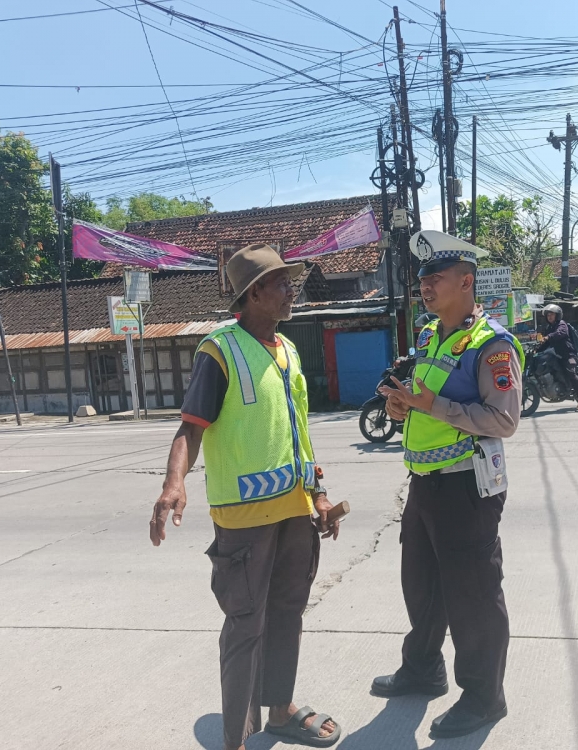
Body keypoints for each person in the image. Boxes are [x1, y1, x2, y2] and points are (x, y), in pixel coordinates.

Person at [150, 243, 342, 750]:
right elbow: (191, 426)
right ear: (254, 294)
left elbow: (299, 434)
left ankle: (280, 709)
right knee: (245, 625)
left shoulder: (288, 349)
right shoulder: (220, 350)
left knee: (287, 613)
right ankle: (235, 739)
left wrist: (319, 494)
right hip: (245, 520)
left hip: (295, 512)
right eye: (281, 283)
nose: (291, 290)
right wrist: (174, 483)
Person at [374, 230, 524, 739]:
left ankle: (484, 697)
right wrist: (402, 407)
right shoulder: (428, 336)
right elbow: (421, 399)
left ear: (466, 282)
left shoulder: (492, 345)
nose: (425, 287)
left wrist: (431, 406)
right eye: (422, 280)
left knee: (472, 595)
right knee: (421, 584)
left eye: (435, 278)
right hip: (424, 482)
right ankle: (422, 670)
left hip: (466, 486)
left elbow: (503, 420)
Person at [536, 303, 578, 411]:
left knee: (571, 372)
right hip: (558, 355)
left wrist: (548, 337)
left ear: (557, 315)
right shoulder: (549, 328)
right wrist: (536, 349)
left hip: (569, 355)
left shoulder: (562, 324)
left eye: (552, 314)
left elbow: (560, 333)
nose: (549, 317)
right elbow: (546, 343)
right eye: (548, 315)